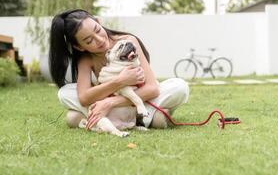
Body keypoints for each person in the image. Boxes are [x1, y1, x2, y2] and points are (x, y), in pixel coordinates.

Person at [49, 9, 189, 130]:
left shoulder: (128, 42)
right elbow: (84, 97)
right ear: (79, 47)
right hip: (117, 105)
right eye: (89, 41)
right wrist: (119, 82)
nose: (99, 39)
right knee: (64, 93)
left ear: (98, 21)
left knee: (180, 87)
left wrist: (109, 103)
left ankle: (129, 117)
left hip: (140, 99)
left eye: (97, 30)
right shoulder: (86, 59)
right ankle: (149, 118)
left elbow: (152, 89)